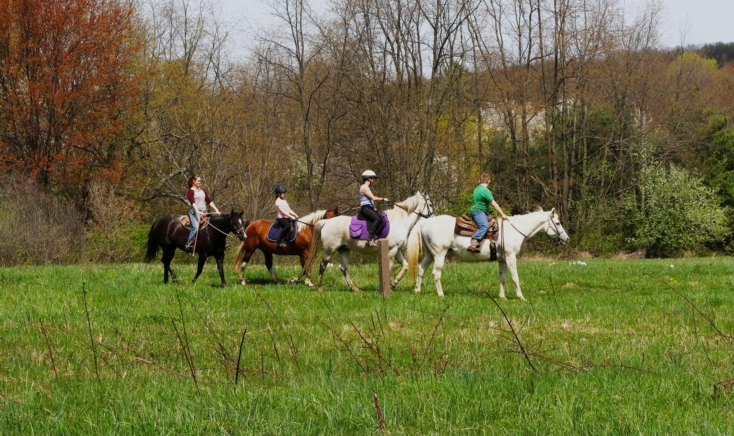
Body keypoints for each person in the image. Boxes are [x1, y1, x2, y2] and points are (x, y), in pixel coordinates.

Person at [468, 173, 508, 253]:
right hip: (478, 211)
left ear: (479, 181)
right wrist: (502, 214)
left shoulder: (477, 188)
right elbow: (494, 204)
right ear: (489, 181)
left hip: (476, 211)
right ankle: (474, 242)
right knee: (484, 226)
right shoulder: (486, 191)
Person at [185, 175, 221, 253]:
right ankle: (188, 243)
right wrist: (198, 211)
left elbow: (209, 201)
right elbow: (193, 203)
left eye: (200, 181)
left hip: (204, 212)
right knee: (196, 227)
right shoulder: (190, 191)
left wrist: (216, 209)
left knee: (216, 224)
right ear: (193, 181)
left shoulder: (203, 190)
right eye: (198, 181)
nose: (200, 182)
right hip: (195, 212)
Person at [359, 170, 390, 247]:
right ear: (369, 178)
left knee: (382, 219)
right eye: (373, 178)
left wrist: (374, 208)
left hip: (369, 208)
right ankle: (369, 239)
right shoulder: (364, 187)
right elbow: (373, 198)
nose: (373, 180)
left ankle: (377, 237)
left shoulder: (367, 188)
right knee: (377, 219)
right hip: (365, 208)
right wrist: (383, 199)